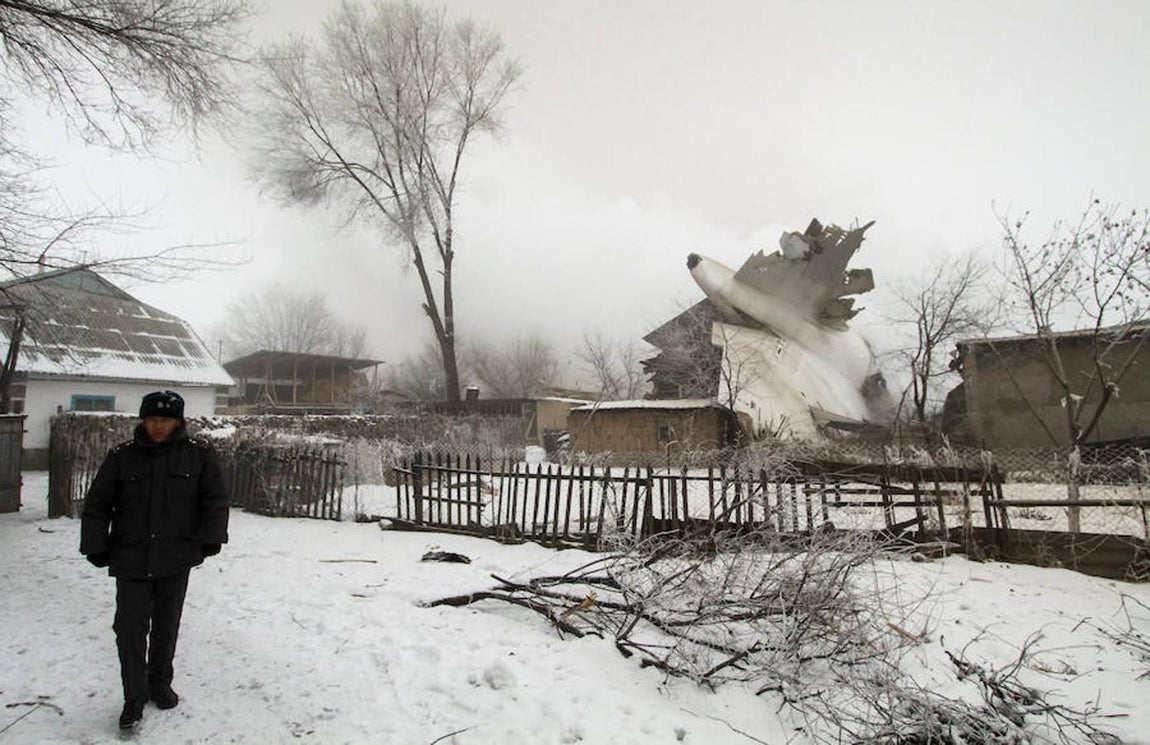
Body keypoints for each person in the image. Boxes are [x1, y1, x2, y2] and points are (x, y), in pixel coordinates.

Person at [80, 390, 229, 731]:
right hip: (130, 556)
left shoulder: (199, 457)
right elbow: (99, 503)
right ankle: (133, 696)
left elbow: (215, 499)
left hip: (175, 556)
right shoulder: (122, 457)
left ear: (178, 421)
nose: (158, 426)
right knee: (130, 629)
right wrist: (95, 544)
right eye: (151, 419)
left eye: (165, 419)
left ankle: (159, 683)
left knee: (166, 625)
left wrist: (211, 537)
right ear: (143, 420)